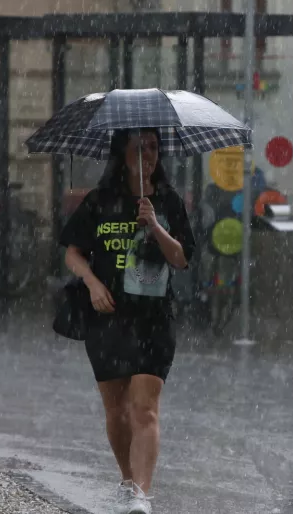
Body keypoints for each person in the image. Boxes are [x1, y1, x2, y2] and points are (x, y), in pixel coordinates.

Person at [60, 128, 195, 514]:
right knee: (117, 411)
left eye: (153, 147)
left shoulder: (168, 201)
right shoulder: (100, 201)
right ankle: (127, 479)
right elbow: (72, 253)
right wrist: (92, 283)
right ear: (123, 152)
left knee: (145, 408)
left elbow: (182, 258)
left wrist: (155, 225)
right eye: (140, 147)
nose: (148, 155)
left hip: (154, 318)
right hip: (107, 319)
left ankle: (141, 495)